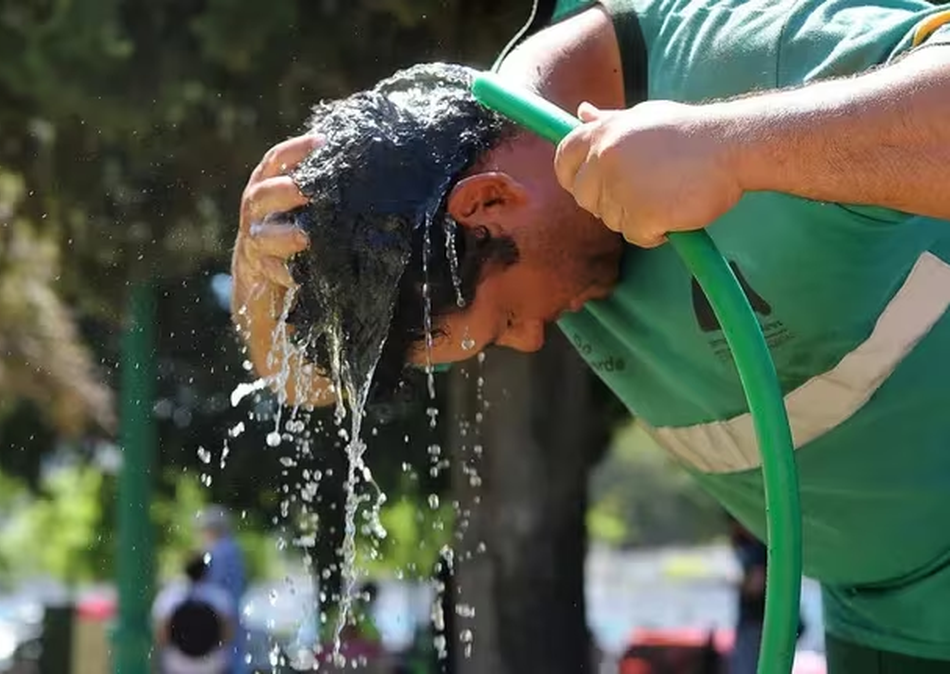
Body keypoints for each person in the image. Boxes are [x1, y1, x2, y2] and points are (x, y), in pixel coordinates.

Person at [229, 0, 950, 670]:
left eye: (506, 321)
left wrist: (733, 147)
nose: (534, 341)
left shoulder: (727, 51)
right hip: (886, 626)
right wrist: (257, 266)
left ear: (490, 201)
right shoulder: (474, 249)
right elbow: (302, 382)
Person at [151, 553, 235, 674]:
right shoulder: (220, 597)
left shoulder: (169, 597)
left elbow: (161, 635)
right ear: (206, 571)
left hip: (176, 665)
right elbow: (228, 635)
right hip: (212, 665)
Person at [197, 506, 248, 673]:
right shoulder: (234, 549)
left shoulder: (217, 552)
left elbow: (212, 587)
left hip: (220, 615)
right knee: (236, 656)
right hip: (233, 612)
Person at [729, 518, 768, 674]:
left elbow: (755, 585)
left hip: (756, 623)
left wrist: (734, 584)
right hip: (753, 623)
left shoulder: (759, 549)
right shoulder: (750, 545)